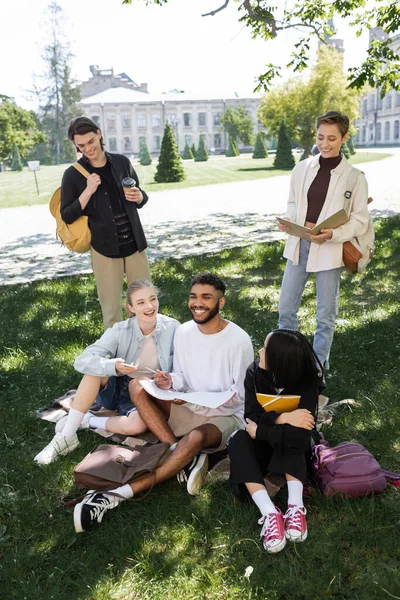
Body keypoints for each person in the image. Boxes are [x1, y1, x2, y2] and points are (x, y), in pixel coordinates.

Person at [72, 273, 254, 533]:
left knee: (194, 439)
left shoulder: (238, 340)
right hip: (188, 405)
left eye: (206, 297)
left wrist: (206, 401)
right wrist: (171, 383)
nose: (198, 303)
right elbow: (181, 375)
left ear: (221, 303)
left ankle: (116, 495)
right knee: (137, 386)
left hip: (223, 415)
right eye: (193, 297)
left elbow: (241, 394)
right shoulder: (185, 332)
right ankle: (175, 452)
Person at [34, 280, 179, 465]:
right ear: (131, 307)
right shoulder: (120, 330)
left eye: (153, 299)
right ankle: (66, 437)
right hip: (116, 382)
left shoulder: (173, 327)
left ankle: (86, 420)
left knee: (138, 426)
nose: (150, 306)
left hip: (144, 391)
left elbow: (182, 366)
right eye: (141, 302)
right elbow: (83, 360)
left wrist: (167, 377)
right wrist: (113, 366)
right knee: (93, 371)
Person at [277, 111, 370, 369]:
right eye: (320, 137)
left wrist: (333, 235)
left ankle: (317, 369)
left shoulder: (355, 177)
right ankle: (288, 364)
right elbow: (293, 202)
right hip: (300, 245)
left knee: (325, 316)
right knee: (286, 310)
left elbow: (360, 221)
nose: (325, 144)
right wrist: (288, 221)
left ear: (344, 138)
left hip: (329, 250)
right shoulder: (302, 168)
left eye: (332, 138)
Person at [228, 329, 324, 554]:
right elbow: (250, 416)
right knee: (238, 440)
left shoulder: (307, 381)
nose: (260, 351)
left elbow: (302, 431)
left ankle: (295, 507)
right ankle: (270, 513)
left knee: (294, 434)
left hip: (295, 448)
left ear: (281, 361)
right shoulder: (254, 372)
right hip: (266, 443)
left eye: (265, 349)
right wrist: (284, 417)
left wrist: (262, 431)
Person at [62, 116, 151, 331]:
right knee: (112, 311)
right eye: (81, 146)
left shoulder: (122, 162)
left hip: (134, 246)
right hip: (104, 249)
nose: (88, 149)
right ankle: (119, 359)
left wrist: (139, 197)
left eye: (90, 142)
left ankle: (149, 348)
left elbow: (140, 197)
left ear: (99, 133)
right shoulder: (73, 175)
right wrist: (88, 190)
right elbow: (67, 215)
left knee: (145, 304)